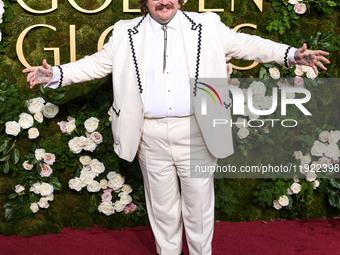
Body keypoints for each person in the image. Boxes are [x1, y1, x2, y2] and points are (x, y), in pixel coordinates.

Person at [23, 0, 330, 254]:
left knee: (198, 206)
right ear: (145, 2)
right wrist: (54, 75)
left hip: (197, 132)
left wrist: (291, 55)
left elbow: (248, 44)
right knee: (162, 210)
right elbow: (95, 64)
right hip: (149, 136)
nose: (163, 1)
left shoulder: (207, 25)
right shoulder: (125, 32)